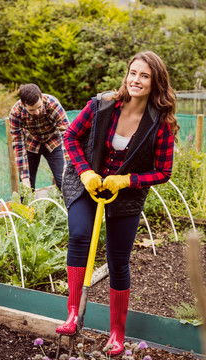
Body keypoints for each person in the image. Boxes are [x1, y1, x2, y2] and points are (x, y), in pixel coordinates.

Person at [56, 51, 179, 355]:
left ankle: (116, 333)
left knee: (118, 260)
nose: (136, 80)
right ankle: (73, 315)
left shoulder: (159, 123)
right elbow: (70, 137)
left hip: (125, 195)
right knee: (80, 234)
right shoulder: (101, 105)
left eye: (144, 76)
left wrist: (126, 181)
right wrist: (85, 172)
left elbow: (164, 171)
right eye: (132, 73)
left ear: (155, 83)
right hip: (87, 183)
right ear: (126, 76)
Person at [9, 83, 69, 191]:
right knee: (26, 187)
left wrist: (67, 166)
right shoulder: (15, 114)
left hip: (53, 141)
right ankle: (26, 207)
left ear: (41, 97)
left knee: (64, 180)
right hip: (31, 143)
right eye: (31, 110)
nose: (36, 112)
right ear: (23, 104)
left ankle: (67, 207)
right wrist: (25, 177)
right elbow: (18, 145)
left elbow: (66, 135)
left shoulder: (53, 105)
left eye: (39, 107)